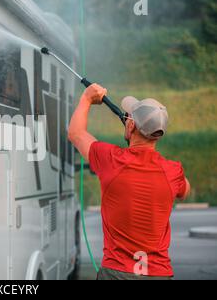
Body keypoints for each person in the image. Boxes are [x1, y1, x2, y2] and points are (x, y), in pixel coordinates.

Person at [68, 84, 191, 280]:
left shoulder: (110, 159)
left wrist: (87, 98)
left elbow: (76, 133)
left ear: (131, 125)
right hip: (158, 274)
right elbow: (185, 191)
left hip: (117, 273)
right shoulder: (173, 170)